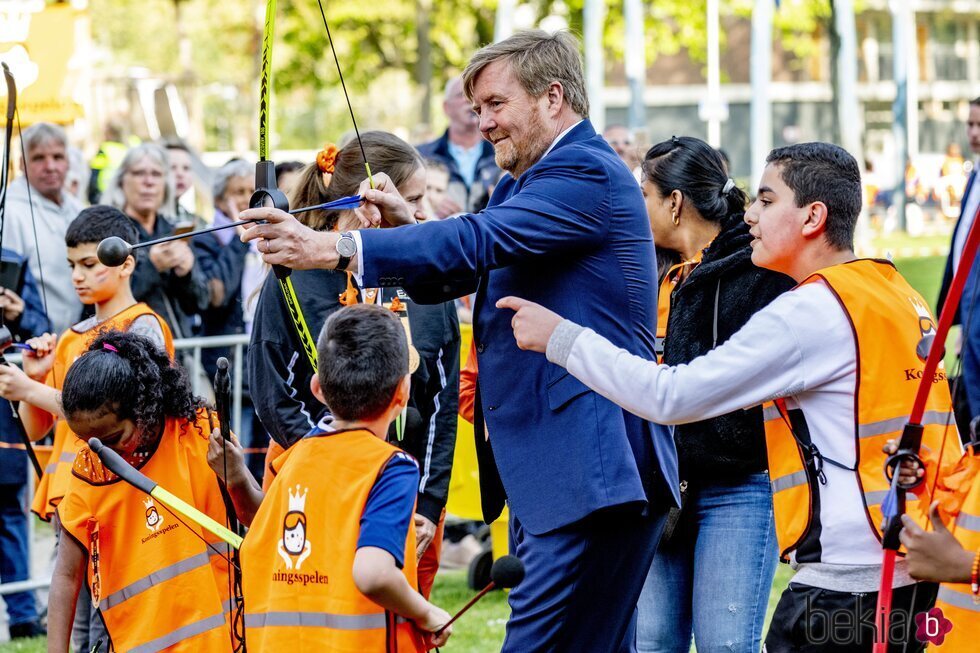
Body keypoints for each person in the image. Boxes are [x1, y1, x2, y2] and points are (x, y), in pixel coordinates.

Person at [241, 30, 677, 652]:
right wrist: (407, 226)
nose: (484, 123)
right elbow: (472, 264)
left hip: (590, 469)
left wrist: (332, 246)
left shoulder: (585, 171)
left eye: (496, 105)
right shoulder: (525, 180)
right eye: (477, 109)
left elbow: (476, 241)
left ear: (553, 97)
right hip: (563, 472)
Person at [499, 142, 963, 652]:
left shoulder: (813, 310)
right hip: (906, 573)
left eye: (766, 200)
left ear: (813, 216)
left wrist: (562, 339)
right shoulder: (893, 290)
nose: (749, 214)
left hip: (846, 587)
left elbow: (671, 395)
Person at [248, 133, 459, 598]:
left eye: (426, 199)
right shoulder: (298, 276)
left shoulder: (427, 273)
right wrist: (338, 473)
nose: (422, 213)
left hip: (409, 489)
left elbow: (440, 403)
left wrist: (427, 501)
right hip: (313, 483)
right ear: (368, 200)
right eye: (414, 198)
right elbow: (274, 394)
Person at [212, 304, 452, 650]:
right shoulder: (392, 467)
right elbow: (374, 573)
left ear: (317, 388)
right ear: (403, 393)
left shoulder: (295, 456)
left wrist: (237, 479)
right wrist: (426, 612)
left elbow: (266, 528)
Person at [637, 136, 794, 653]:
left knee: (726, 642)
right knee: (654, 639)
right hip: (659, 486)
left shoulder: (757, 271)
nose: (637, 207)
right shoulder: (643, 272)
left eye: (644, 194)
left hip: (737, 484)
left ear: (675, 203)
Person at [49, 329, 235, 653]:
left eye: (112, 439)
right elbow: (66, 576)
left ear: (142, 407)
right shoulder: (89, 470)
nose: (99, 451)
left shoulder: (200, 430)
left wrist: (237, 475)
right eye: (88, 443)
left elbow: (254, 519)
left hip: (222, 640)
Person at [0, 206, 174, 523]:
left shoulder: (142, 325)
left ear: (126, 264)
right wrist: (34, 379)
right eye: (72, 265)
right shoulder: (69, 337)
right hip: (71, 495)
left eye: (89, 264)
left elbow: (121, 417)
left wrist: (30, 389)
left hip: (121, 491)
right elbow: (33, 429)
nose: (77, 275)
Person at [103, 142, 209, 338]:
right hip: (128, 350)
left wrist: (186, 273)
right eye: (139, 173)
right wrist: (152, 266)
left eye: (156, 174)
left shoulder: (173, 229)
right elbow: (103, 296)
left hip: (177, 352)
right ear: (121, 181)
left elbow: (200, 302)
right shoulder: (109, 232)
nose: (149, 182)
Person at [0, 247, 50, 640]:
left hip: (4, 414)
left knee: (9, 513)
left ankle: (22, 615)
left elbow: (41, 331)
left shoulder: (12, 261)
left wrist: (17, 315)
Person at [3, 122, 84, 335]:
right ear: (22, 164)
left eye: (57, 157)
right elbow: (9, 292)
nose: (50, 166)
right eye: (39, 158)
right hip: (33, 344)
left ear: (68, 161)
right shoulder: (9, 210)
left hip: (76, 341)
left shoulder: (76, 208)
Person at [939, 96, 980, 429]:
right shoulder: (974, 175)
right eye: (970, 124)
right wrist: (960, 323)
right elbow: (961, 248)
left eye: (979, 125)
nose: (974, 133)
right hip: (969, 310)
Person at [417, 76, 499, 217]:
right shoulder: (419, 156)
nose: (470, 101)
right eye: (462, 95)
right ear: (446, 107)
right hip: (441, 236)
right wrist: (428, 202)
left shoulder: (503, 155)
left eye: (474, 95)